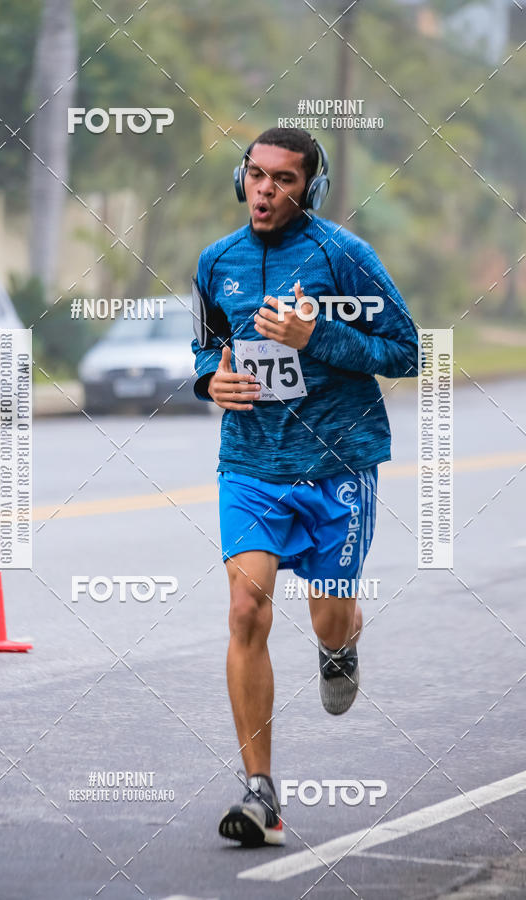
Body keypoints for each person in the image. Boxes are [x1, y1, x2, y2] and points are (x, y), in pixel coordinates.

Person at [191, 127, 419, 848]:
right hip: (253, 466)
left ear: (309, 189)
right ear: (241, 179)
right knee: (244, 609)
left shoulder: (344, 258)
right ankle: (260, 793)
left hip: (337, 467)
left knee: (327, 616)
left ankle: (340, 643)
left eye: (283, 180)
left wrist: (315, 338)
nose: (265, 190)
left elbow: (406, 350)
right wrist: (210, 379)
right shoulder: (216, 263)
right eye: (255, 175)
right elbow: (205, 346)